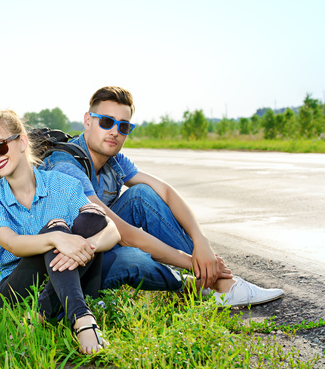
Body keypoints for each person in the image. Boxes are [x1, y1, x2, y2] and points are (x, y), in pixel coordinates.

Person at [40, 86, 285, 308]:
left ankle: (216, 284)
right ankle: (214, 282)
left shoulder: (113, 160)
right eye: (106, 121)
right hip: (63, 265)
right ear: (88, 121)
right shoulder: (66, 166)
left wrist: (201, 242)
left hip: (97, 244)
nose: (114, 132)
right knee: (132, 257)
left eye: (123, 126)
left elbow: (165, 191)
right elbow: (122, 233)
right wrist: (191, 261)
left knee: (142, 195)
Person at [0, 109, 121, 354]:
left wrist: (82, 246)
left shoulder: (62, 183)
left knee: (92, 220)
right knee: (57, 227)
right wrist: (57, 237)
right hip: (17, 287)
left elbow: (111, 230)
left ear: (21, 142)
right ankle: (82, 318)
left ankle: (42, 312)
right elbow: (13, 244)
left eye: (0, 146)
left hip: (70, 275)